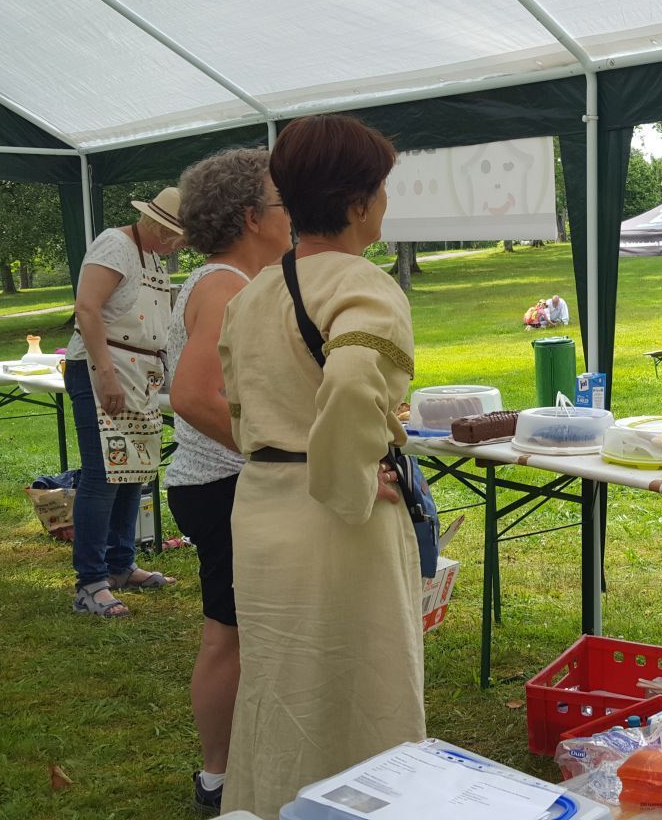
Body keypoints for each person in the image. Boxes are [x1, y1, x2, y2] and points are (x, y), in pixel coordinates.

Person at [217, 114, 422, 816]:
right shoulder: (362, 285)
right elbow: (355, 382)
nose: (386, 203)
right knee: (362, 691)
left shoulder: (252, 294)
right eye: (382, 190)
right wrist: (353, 478)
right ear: (358, 202)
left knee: (278, 690)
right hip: (335, 524)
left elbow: (241, 410)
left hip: (261, 508)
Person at [166, 147, 293, 815]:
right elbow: (193, 395)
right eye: (284, 203)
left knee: (244, 630)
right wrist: (276, 455)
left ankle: (244, 761)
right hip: (222, 486)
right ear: (251, 217)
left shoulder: (237, 282)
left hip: (223, 483)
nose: (295, 215)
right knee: (230, 635)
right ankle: (217, 778)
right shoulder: (223, 287)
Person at [65, 187, 188, 617]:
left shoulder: (152, 257)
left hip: (140, 375)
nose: (180, 246)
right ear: (160, 227)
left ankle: (121, 563)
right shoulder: (115, 245)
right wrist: (106, 375)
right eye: (178, 237)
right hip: (103, 369)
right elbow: (87, 309)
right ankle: (91, 581)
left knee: (134, 470)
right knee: (104, 474)